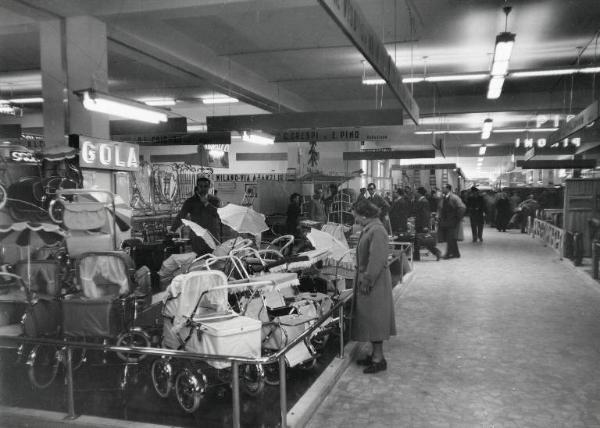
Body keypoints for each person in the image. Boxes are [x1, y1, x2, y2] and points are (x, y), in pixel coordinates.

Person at [351, 199, 396, 374]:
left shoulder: (377, 231)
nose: (356, 221)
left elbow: (376, 260)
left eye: (357, 217)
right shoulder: (370, 228)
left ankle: (379, 359)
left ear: (365, 215)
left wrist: (367, 281)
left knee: (376, 320)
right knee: (370, 319)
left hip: (374, 282)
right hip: (370, 279)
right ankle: (374, 354)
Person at [171, 176, 221, 256]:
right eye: (201, 186)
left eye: (205, 186)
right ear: (197, 187)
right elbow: (181, 216)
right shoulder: (190, 201)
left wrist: (206, 203)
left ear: (209, 187)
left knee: (214, 259)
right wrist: (172, 230)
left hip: (212, 235)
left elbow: (219, 214)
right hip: (198, 237)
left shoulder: (214, 200)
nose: (203, 188)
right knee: (199, 261)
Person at [414, 187, 441, 261]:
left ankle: (437, 252)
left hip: (422, 224)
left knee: (425, 240)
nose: (415, 193)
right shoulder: (419, 200)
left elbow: (426, 215)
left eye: (416, 191)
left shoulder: (424, 201)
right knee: (417, 240)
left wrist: (425, 226)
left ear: (419, 193)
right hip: (419, 223)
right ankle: (416, 256)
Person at [439, 184, 466, 259]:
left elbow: (462, 207)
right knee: (451, 238)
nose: (442, 189)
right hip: (446, 221)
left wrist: (457, 218)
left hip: (452, 221)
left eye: (443, 188)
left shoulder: (454, 197)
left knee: (450, 238)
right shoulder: (445, 197)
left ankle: (448, 254)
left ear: (448, 189)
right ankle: (456, 253)